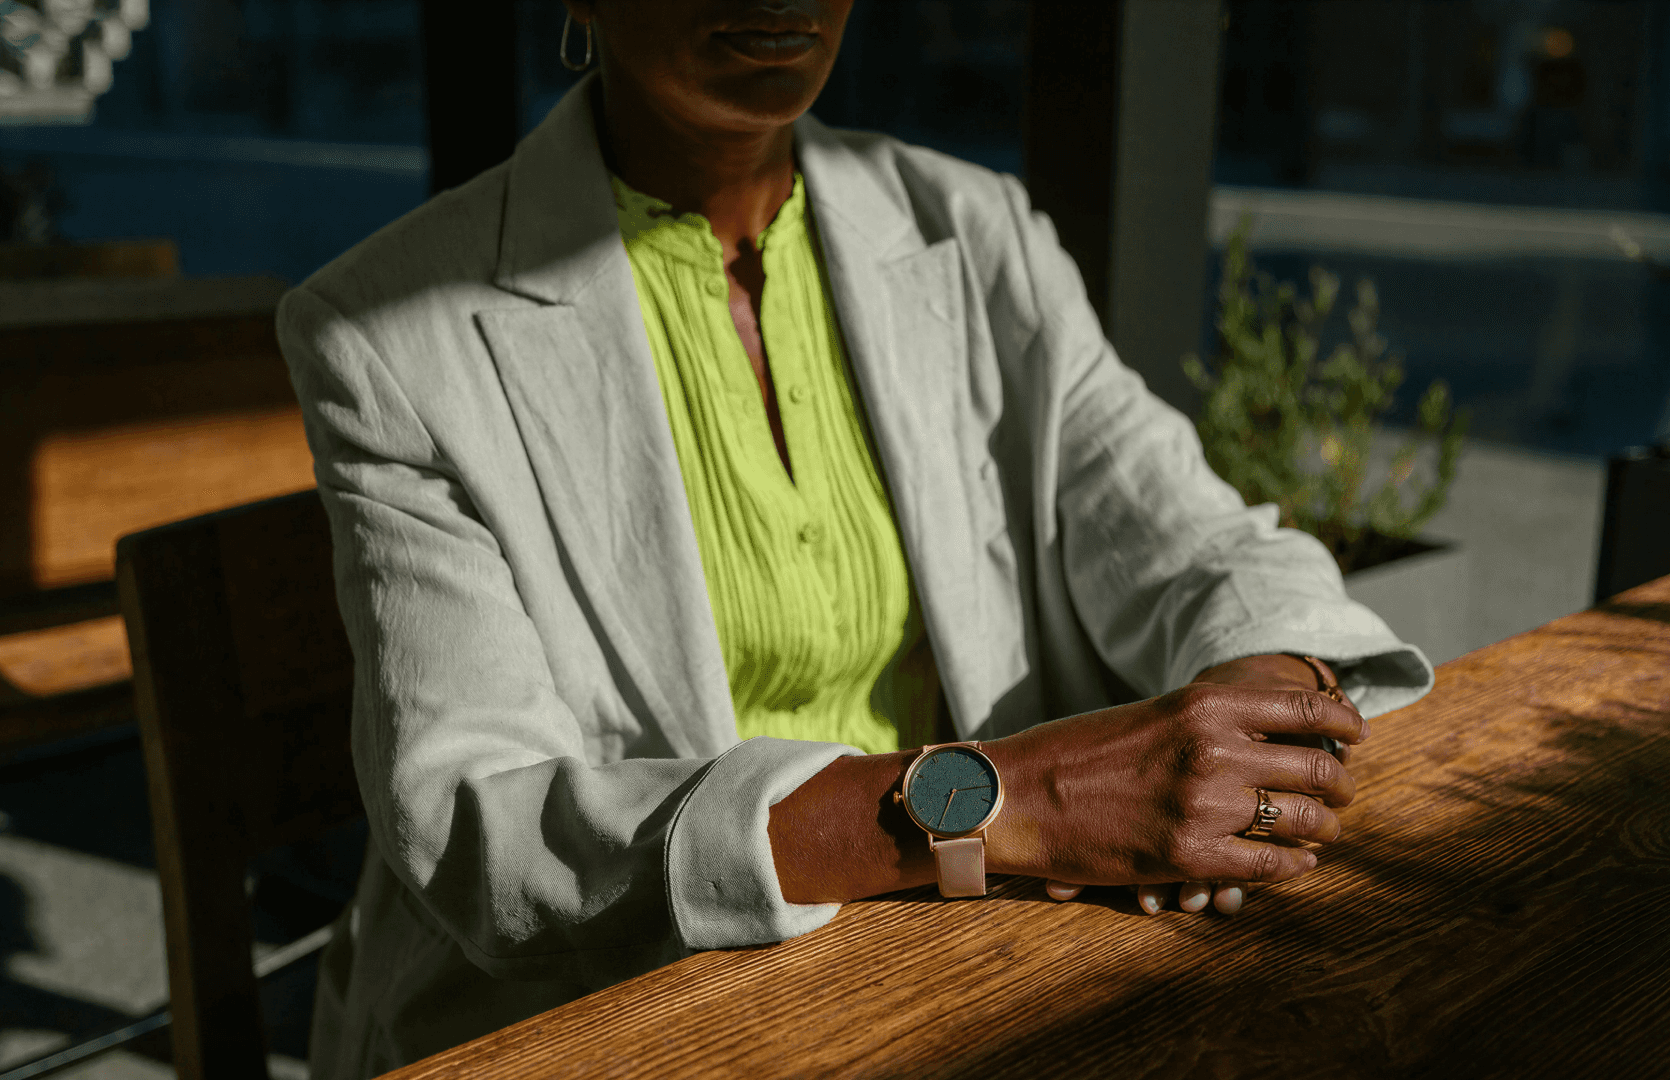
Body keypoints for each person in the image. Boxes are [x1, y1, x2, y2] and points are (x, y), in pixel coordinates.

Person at [278, 1, 1433, 1074]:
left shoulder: (975, 234)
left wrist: (1251, 732)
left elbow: (1196, 537)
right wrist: (1012, 799)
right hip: (594, 1018)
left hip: (956, 969)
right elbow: (486, 830)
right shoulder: (389, 331)